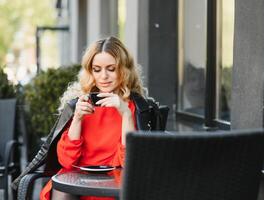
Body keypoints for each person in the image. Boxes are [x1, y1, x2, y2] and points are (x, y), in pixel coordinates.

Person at [12, 36, 168, 200]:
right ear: (90, 71)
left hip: (118, 188)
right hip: (77, 185)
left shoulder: (137, 109)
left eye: (111, 68)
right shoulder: (80, 103)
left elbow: (131, 164)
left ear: (123, 69)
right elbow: (66, 162)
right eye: (97, 69)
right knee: (62, 189)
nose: (104, 76)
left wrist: (126, 115)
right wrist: (77, 118)